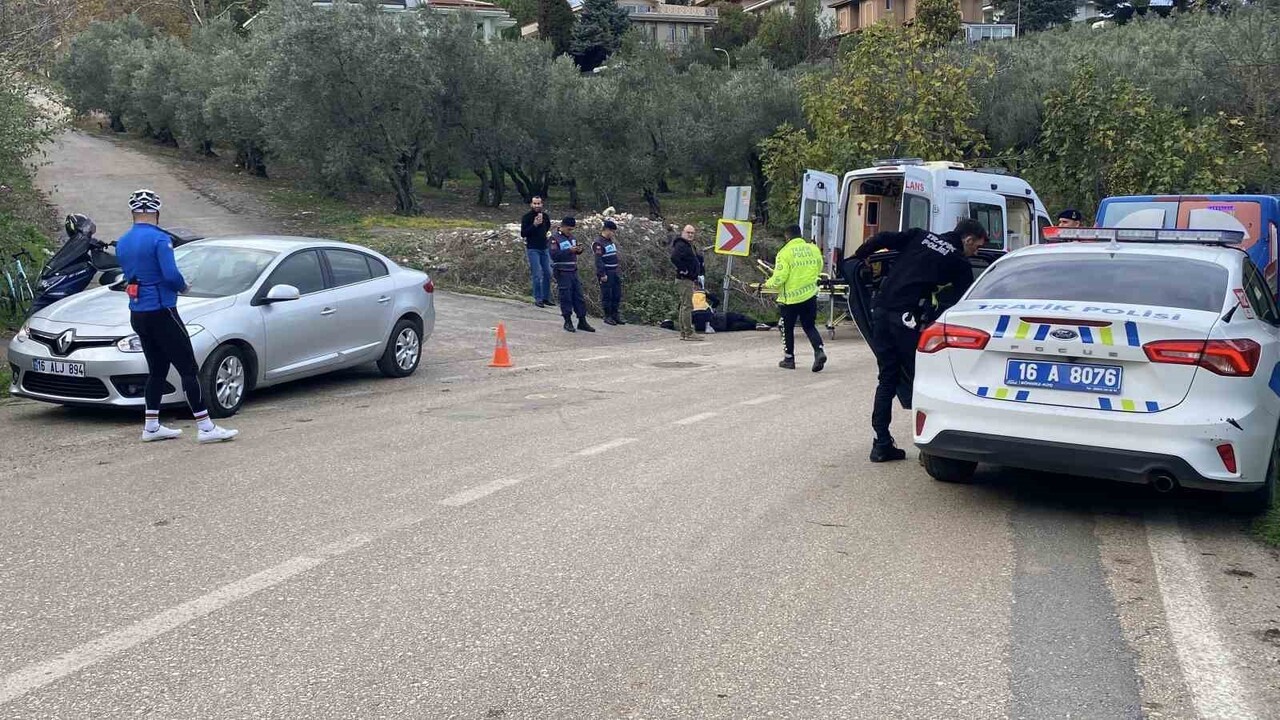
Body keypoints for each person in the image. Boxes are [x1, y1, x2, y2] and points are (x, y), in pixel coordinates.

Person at [852, 218, 988, 463]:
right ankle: (931, 449)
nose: (974, 252)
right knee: (923, 381)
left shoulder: (919, 235)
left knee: (887, 377)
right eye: (976, 247)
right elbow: (964, 304)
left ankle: (881, 443)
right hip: (906, 319)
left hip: (880, 311)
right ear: (968, 240)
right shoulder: (958, 261)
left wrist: (859, 258)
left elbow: (881, 238)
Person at [114, 189, 237, 444]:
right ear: (156, 213)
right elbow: (170, 274)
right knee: (188, 368)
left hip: (137, 312)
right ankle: (205, 427)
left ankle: (151, 426)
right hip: (163, 310)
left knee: (157, 369)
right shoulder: (160, 239)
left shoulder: (123, 241)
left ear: (134, 213)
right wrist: (184, 287)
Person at [765, 225, 827, 372]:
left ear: (787, 237)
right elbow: (819, 267)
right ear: (800, 235)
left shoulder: (784, 253)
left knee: (787, 328)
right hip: (810, 294)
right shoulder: (813, 249)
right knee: (809, 326)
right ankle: (819, 351)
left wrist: (768, 284)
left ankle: (789, 358)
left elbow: (780, 277)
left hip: (790, 299)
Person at [550, 216, 595, 333]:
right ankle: (567, 321)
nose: (570, 232)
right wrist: (569, 250)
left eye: (572, 230)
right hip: (562, 272)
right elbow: (554, 255)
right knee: (566, 297)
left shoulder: (572, 238)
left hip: (573, 271)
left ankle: (582, 321)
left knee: (579, 296)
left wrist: (579, 250)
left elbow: (575, 252)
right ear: (563, 226)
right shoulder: (554, 239)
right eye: (569, 229)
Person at [670, 224, 705, 341]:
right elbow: (674, 258)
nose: (690, 235)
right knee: (687, 306)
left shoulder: (688, 245)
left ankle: (684, 332)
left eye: (692, 233)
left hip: (688, 279)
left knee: (684, 305)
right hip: (684, 279)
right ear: (682, 232)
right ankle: (689, 332)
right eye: (688, 232)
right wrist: (683, 269)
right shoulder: (681, 245)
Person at [520, 196, 553, 308]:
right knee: (537, 274)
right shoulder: (527, 217)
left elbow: (547, 228)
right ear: (531, 204)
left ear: (542, 204)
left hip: (544, 248)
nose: (537, 205)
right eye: (535, 203)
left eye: (539, 203)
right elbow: (523, 233)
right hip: (533, 248)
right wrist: (534, 225)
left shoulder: (546, 217)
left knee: (548, 273)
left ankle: (545, 297)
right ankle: (538, 298)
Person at [593, 219, 625, 325]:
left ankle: (615, 315)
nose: (613, 233)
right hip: (606, 272)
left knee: (617, 294)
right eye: (612, 231)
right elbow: (598, 260)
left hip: (615, 271)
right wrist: (602, 274)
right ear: (606, 230)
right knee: (607, 295)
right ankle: (608, 316)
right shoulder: (598, 242)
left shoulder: (610, 241)